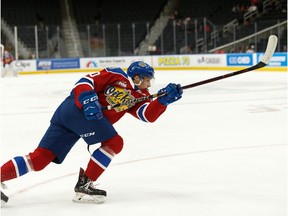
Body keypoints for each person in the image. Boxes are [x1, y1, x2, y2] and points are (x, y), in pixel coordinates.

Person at [1, 61, 183, 204]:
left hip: (69, 115)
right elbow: (85, 81)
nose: (149, 83)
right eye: (147, 79)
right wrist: (87, 100)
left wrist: (163, 101)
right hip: (75, 109)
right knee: (114, 143)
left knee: (40, 159)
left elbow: (146, 115)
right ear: (136, 77)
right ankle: (84, 185)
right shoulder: (116, 74)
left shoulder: (138, 96)